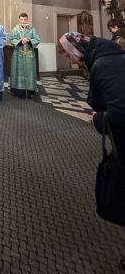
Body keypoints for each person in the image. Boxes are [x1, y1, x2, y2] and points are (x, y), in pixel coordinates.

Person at [59, 32, 125, 269]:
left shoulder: (102, 65)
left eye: (68, 54)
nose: (69, 59)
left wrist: (98, 119)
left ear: (78, 50)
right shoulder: (114, 57)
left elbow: (118, 111)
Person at [9, 12, 40, 99]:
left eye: (25, 19)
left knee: (29, 72)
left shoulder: (32, 29)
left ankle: (29, 91)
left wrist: (29, 40)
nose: (23, 21)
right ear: (19, 20)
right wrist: (20, 41)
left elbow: (37, 39)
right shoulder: (15, 29)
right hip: (18, 54)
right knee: (17, 71)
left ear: (27, 19)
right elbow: (11, 39)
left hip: (29, 54)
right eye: (21, 19)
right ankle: (17, 91)